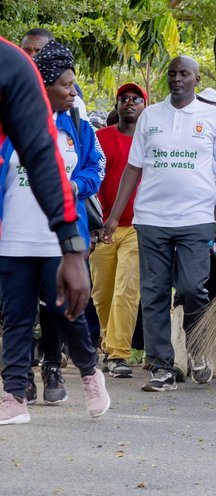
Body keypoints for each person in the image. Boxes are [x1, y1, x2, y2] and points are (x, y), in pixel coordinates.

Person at [101, 56, 216, 392]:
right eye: (173, 73)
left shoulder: (212, 117)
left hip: (196, 218)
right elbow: (133, 168)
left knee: (193, 288)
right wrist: (115, 216)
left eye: (184, 74)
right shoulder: (151, 115)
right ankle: (162, 367)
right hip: (152, 219)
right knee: (154, 293)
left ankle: (198, 351)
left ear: (196, 78)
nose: (177, 79)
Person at [0, 41, 110, 425]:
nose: (72, 91)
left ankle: (89, 373)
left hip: (56, 241)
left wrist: (76, 188)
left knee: (68, 312)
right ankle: (14, 396)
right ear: (42, 84)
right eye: (65, 84)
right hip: (13, 237)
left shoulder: (77, 127)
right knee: (16, 318)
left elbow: (96, 168)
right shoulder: (10, 121)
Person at [0, 37, 90, 315]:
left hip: (46, 237)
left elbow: (42, 159)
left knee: (56, 315)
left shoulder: (11, 64)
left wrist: (71, 247)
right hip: (15, 238)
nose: (71, 92)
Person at [92, 82, 148, 379]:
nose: (129, 103)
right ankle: (108, 344)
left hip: (137, 226)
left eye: (135, 99)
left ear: (144, 106)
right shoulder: (101, 138)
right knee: (102, 294)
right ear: (117, 105)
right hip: (103, 227)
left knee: (127, 289)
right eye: (123, 99)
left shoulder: (152, 140)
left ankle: (118, 354)